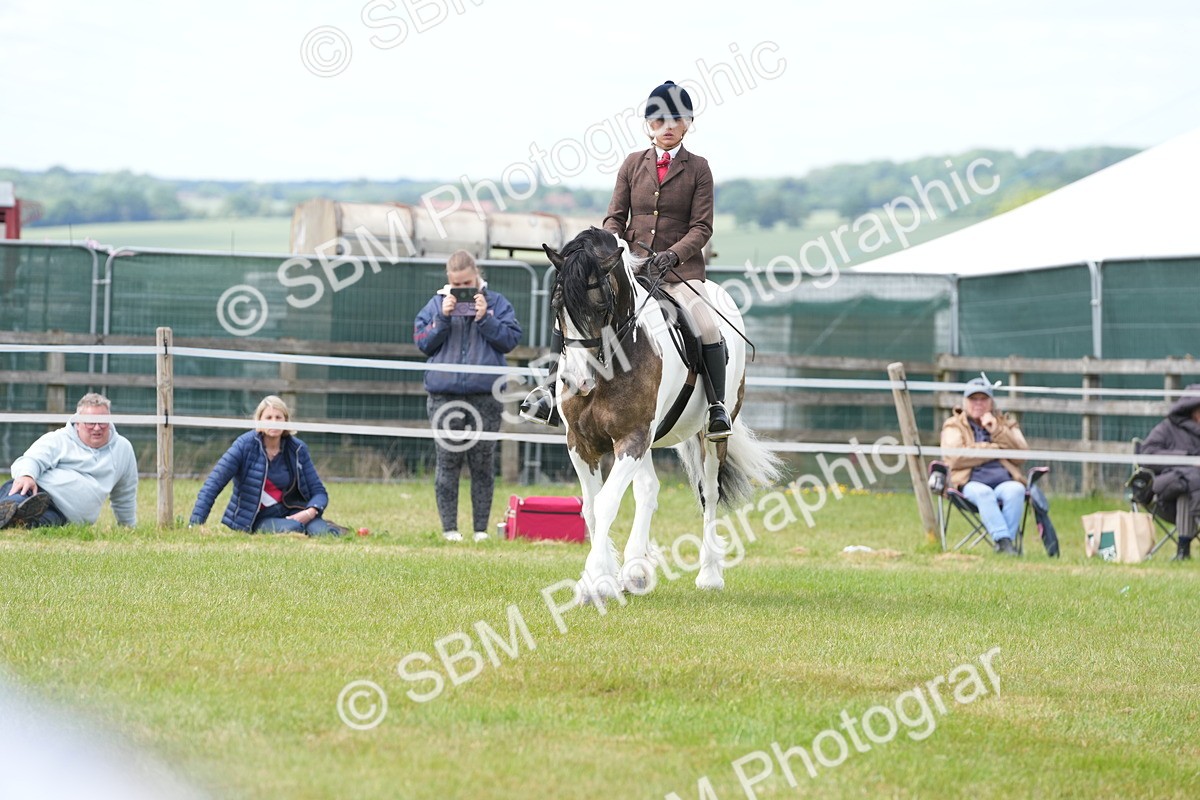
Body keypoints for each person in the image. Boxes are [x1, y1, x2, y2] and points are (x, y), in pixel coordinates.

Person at [521, 79, 730, 441]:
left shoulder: (699, 168)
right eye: (659, 120)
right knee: (574, 311)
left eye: (675, 120)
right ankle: (550, 392)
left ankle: (716, 407)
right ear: (648, 124)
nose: (667, 127)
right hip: (632, 268)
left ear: (688, 123)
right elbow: (614, 217)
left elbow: (702, 227)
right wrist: (616, 249)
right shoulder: (633, 164)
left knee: (706, 325)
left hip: (679, 273)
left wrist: (673, 255)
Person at [414, 249, 522, 542]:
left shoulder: (497, 303)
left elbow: (510, 340)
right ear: (449, 282)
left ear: (477, 276)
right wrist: (442, 317)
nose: (462, 290)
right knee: (447, 462)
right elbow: (422, 342)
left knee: (483, 463)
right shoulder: (435, 304)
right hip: (444, 396)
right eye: (457, 285)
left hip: (485, 395)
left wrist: (486, 318)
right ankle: (450, 529)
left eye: (467, 284)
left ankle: (480, 530)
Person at [189, 395, 339, 535]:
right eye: (268, 417)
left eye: (278, 417)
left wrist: (309, 512)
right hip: (258, 518)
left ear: (286, 421)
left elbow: (319, 491)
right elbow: (213, 484)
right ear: (259, 420)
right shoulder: (243, 445)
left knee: (324, 533)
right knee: (294, 528)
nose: (273, 421)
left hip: (294, 510)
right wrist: (195, 524)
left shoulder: (298, 449)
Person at [0, 392, 138, 529]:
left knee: (41, 521)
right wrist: (26, 475)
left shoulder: (123, 449)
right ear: (78, 423)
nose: (97, 428)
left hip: (62, 514)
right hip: (34, 491)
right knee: (16, 500)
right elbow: (31, 458)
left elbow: (125, 494)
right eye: (90, 423)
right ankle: (9, 512)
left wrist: (128, 526)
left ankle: (17, 520)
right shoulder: (59, 439)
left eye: (102, 422)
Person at [939, 376, 1030, 555]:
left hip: (1004, 481)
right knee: (984, 493)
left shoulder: (1005, 423)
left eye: (983, 399)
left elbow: (1022, 455)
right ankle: (1004, 542)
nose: (978, 404)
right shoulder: (953, 425)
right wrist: (994, 449)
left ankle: (1005, 545)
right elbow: (955, 457)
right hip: (970, 483)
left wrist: (996, 431)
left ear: (991, 402)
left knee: (1016, 490)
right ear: (965, 402)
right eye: (973, 399)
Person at [1138, 385, 1200, 560]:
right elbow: (1147, 455)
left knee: (1189, 485)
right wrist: (1187, 459)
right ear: (1193, 411)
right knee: (1186, 484)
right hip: (1165, 500)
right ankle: (1183, 549)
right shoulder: (1167, 428)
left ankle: (1183, 549)